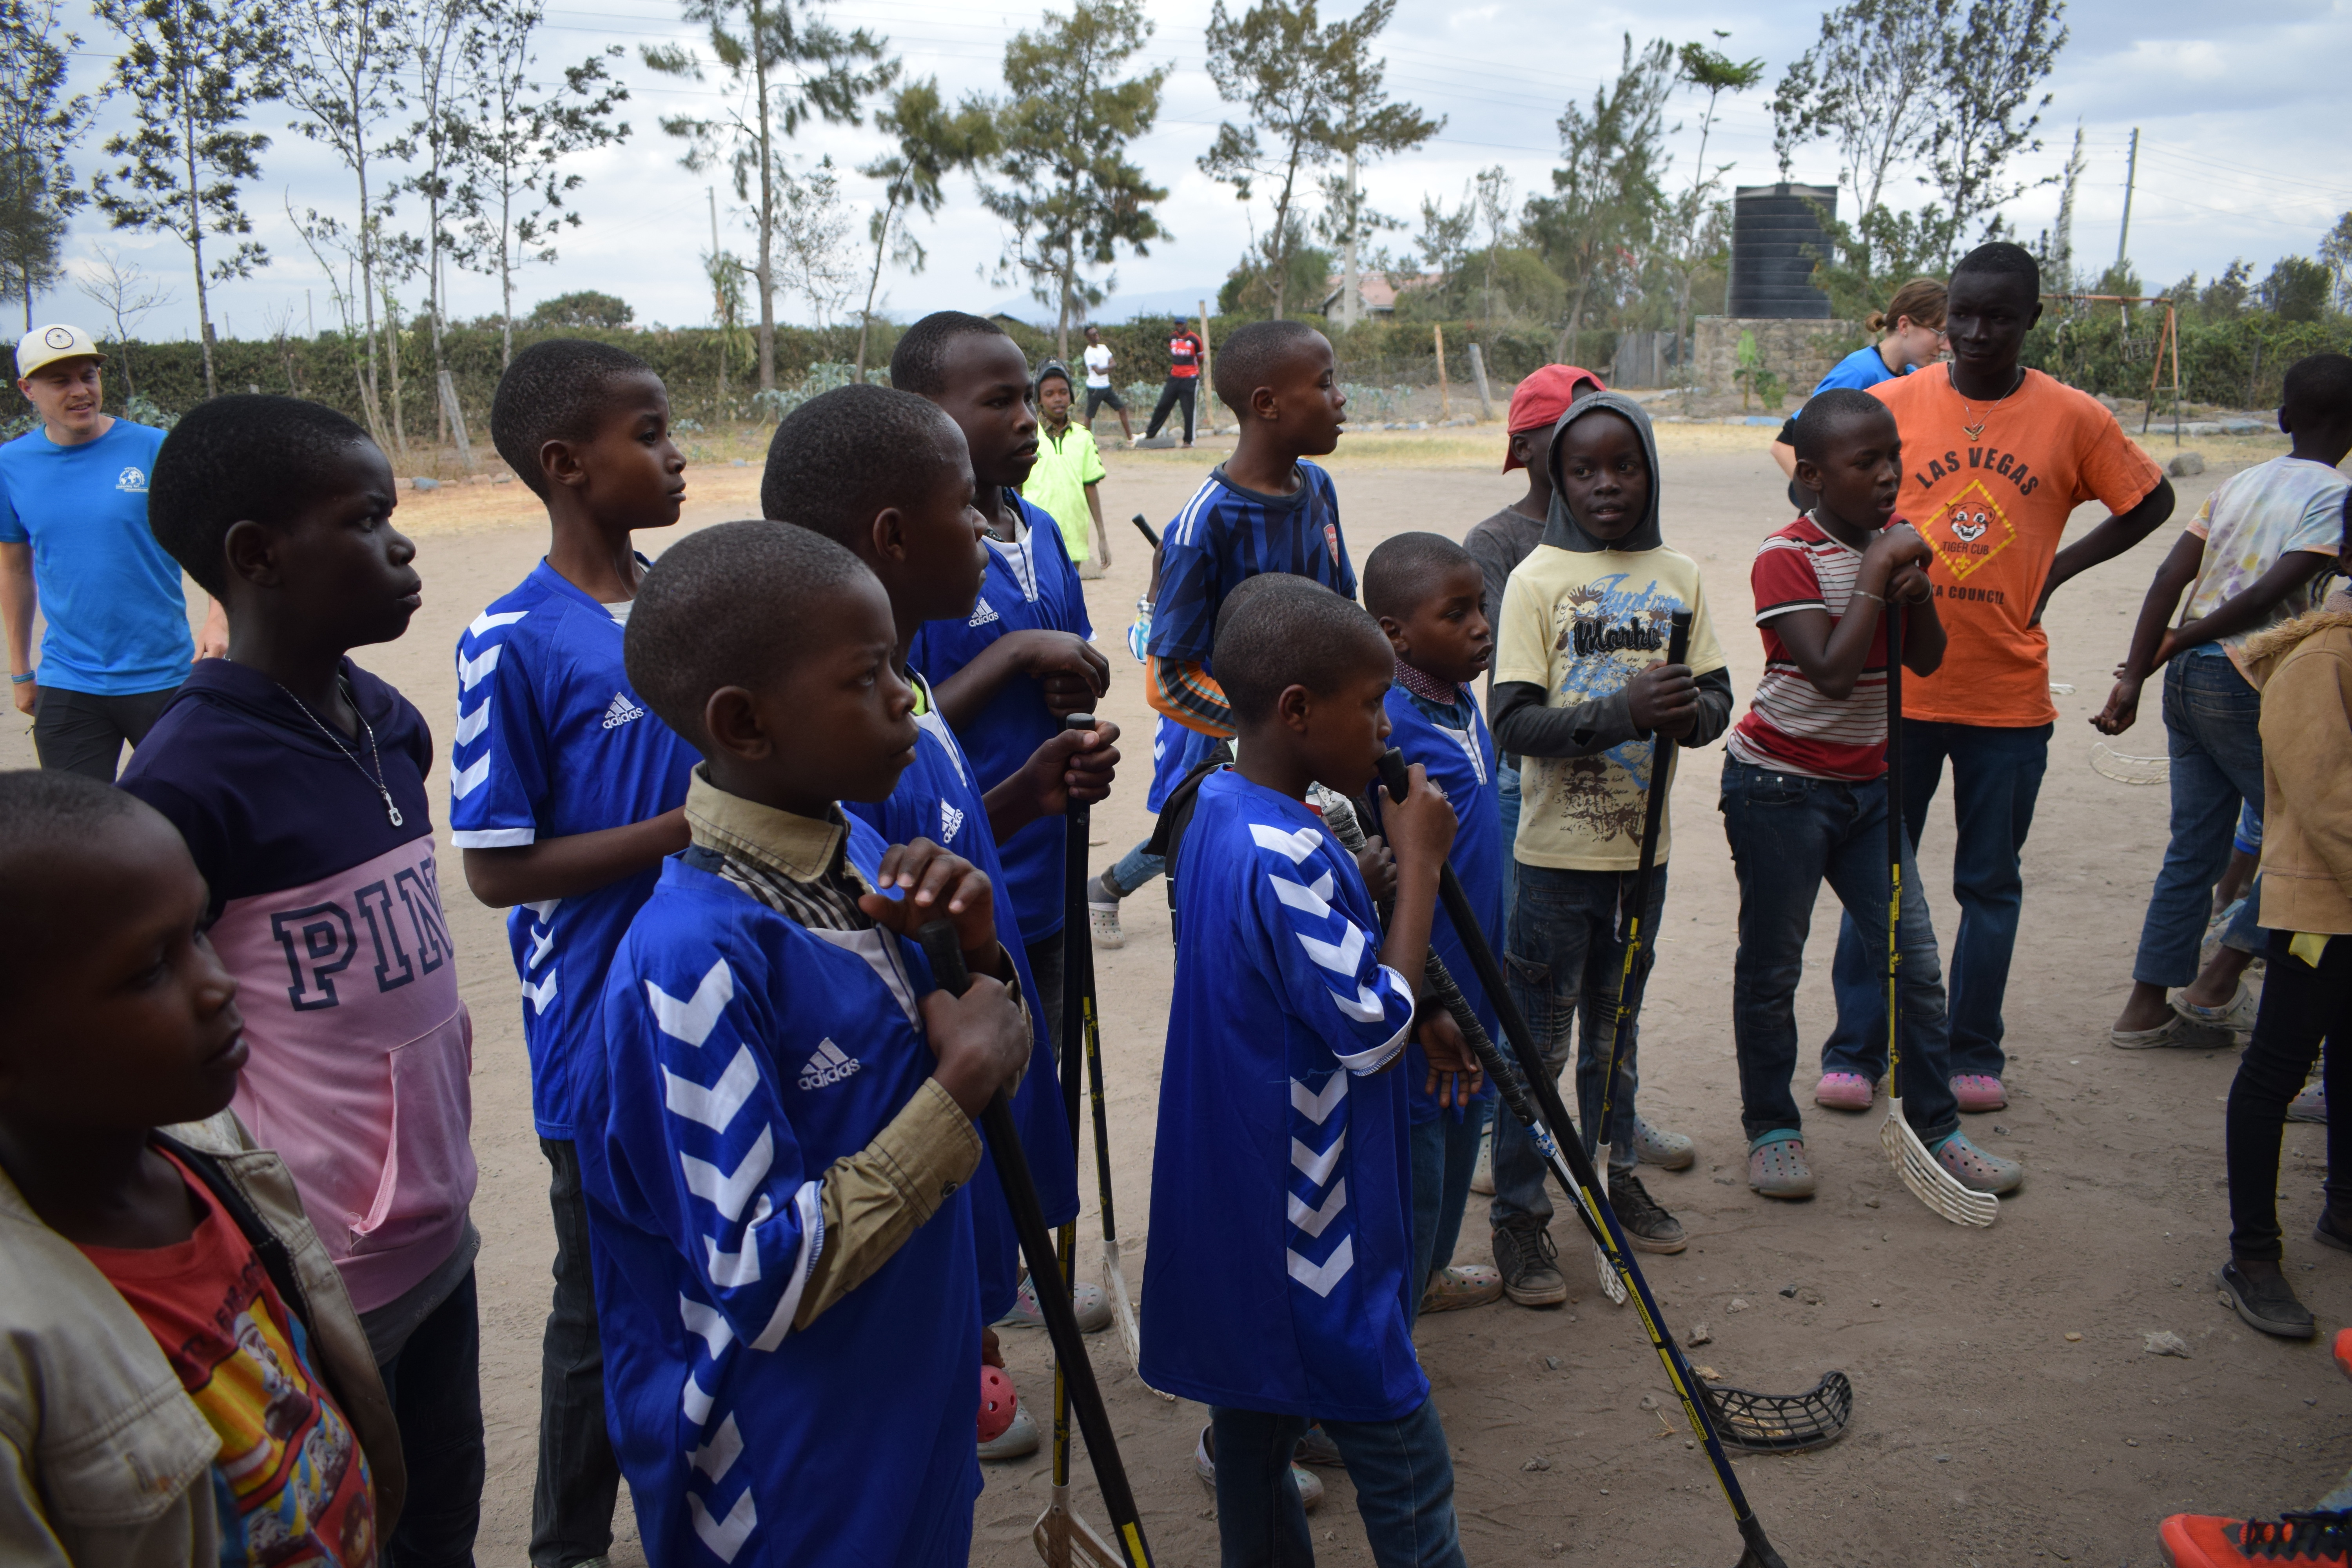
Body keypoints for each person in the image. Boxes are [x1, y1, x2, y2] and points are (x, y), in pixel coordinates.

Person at [583, 520, 1033, 1565]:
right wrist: (957, 1092)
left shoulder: (859, 851)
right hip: (788, 1475)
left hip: (901, 1407)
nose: (907, 701)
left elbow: (933, 1048)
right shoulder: (692, 961)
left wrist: (973, 963)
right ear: (744, 722)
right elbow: (759, 1274)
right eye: (868, 677)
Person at [121, 394, 484, 1567]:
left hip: (444, 1224)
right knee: (354, 1525)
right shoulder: (188, 776)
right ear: (256, 557)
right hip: (322, 1260)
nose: (402, 541)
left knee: (448, 1508)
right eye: (366, 518)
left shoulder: (388, 722)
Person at [761, 381, 1114, 1461]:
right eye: (966, 512)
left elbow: (934, 848)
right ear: (894, 537)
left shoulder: (904, 684)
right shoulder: (847, 732)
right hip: (928, 1083)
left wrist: (1028, 793)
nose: (986, 532)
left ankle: (984, 1330)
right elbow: (875, 913)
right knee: (954, 1246)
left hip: (974, 1036)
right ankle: (970, 1370)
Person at [1139, 583, 1475, 1567]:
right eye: (1370, 705)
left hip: (1239, 1206)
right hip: (1308, 1224)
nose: (1383, 727)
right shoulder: (1286, 847)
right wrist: (1417, 866)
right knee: (1403, 1454)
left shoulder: (1217, 809)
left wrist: (1407, 985)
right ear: (1296, 710)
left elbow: (1302, 982)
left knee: (1252, 1432)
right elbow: (1370, 1024)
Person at [0, 769, 403, 1567]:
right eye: (151, 969)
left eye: (199, 933)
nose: (218, 985)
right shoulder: (23, 1345)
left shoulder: (214, 1156)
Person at [451, 338, 702, 1568]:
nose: (676, 454)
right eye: (648, 434)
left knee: (716, 1278)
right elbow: (496, 868)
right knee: (598, 1307)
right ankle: (565, 1546)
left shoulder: (690, 603)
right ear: (566, 465)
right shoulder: (512, 637)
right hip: (597, 1034)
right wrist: (682, 829)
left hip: (715, 1005)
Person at [1819, 242, 2173, 1114]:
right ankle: (1857, 1050)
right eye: (1962, 316)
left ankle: (1972, 1048)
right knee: (1880, 875)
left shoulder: (2073, 418)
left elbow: (2152, 502)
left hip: (2008, 697)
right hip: (1895, 691)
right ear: (1941, 319)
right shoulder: (1889, 404)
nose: (1976, 333)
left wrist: (2055, 569)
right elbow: (1821, 500)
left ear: (2032, 320)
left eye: (1999, 317)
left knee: (1990, 882)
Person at [1720, 389, 2022, 1200]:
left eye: (1894, 456)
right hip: (1779, 786)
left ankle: (1935, 1127)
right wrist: (1882, 571)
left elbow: (1920, 660)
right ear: (1815, 476)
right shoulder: (1786, 553)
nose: (1889, 475)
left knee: (1915, 964)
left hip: (1867, 786)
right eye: (1867, 463)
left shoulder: (1897, 551)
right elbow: (1830, 668)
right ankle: (1772, 1127)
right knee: (1773, 964)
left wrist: (1912, 591)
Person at [1483, 390, 1728, 1301]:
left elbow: (1715, 698)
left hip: (1641, 859)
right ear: (1556, 476)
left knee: (1614, 1038)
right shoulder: (1537, 581)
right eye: (1582, 468)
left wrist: (1690, 714)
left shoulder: (1680, 575)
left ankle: (1611, 1179)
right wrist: (1616, 715)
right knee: (1536, 1048)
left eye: (1623, 466)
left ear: (1650, 471)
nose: (1605, 484)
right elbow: (1511, 724)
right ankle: (1520, 1217)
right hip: (1552, 863)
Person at [2094, 353, 2352, 1051]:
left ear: (2282, 418)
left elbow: (2168, 577)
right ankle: (2216, 985)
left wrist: (2142, 670)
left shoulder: (2241, 484)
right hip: (2251, 678)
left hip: (2189, 686)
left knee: (2193, 849)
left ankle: (2146, 1006)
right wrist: (2171, 649)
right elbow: (2269, 597)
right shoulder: (2335, 498)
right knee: (2305, 842)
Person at [891, 313, 1109, 1058]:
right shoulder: (911, 557)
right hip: (963, 881)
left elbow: (1071, 657)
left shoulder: (1043, 529)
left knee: (1047, 1089)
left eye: (1028, 400)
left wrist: (1072, 693)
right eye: (998, 403)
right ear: (926, 415)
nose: (1025, 421)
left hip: (1053, 864)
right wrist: (1013, 655)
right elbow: (903, 723)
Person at [2207, 493, 2352, 1343]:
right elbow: (2327, 801)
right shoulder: (2320, 660)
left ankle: (2342, 1204)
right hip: (2320, 905)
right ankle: (2253, 1252)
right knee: (2277, 1070)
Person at [1362, 531, 1504, 1316]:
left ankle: (1435, 1269)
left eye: (1480, 606)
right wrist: (1431, 1002)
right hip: (1428, 996)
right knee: (1417, 1158)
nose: (1480, 624)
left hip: (1480, 983)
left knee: (1461, 1134)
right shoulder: (1388, 730)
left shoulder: (1455, 694)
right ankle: (1396, 1314)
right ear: (1395, 633)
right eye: (1457, 613)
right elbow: (1392, 882)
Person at [1, 323, 226, 780]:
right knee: (79, 835)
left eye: (88, 376)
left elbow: (212, 539)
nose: (81, 391)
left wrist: (219, 619)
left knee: (185, 819)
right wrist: (22, 670)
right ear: (28, 389)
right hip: (69, 681)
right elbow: (14, 569)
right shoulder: (10, 466)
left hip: (165, 674)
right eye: (61, 381)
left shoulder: (153, 448)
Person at [1146, 318, 1355, 740]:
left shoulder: (1318, 485)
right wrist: (1282, 733)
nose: (1340, 397)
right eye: (1324, 384)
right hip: (1230, 770)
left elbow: (1345, 608)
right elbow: (1169, 685)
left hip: (1315, 750)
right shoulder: (1203, 525)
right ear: (1267, 404)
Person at [1462, 364, 1607, 920]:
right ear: (1524, 448)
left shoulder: (1618, 530)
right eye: (1573, 424)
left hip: (1614, 762)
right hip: (1524, 772)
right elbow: (1513, 660)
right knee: (1523, 933)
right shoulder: (1496, 542)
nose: (1594, 434)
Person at [1769, 278, 1949, 510]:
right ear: (1904, 326)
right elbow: (1786, 444)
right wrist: (1822, 508)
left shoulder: (1912, 378)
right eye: (1940, 333)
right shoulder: (1859, 371)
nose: (1946, 346)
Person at [1021, 358, 1113, 579]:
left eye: (1063, 392)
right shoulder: (1027, 435)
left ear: (1071, 396)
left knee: (1070, 601)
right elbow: (1015, 489)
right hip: (1035, 537)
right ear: (1039, 400)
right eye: (1049, 394)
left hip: (1074, 539)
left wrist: (1102, 536)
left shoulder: (1083, 437)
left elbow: (1090, 487)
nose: (1058, 399)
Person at [1144, 315, 1205, 447]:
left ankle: (1188, 441)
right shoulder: (1172, 338)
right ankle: (1150, 434)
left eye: (1182, 324)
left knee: (1188, 411)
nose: (1180, 327)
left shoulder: (1195, 340)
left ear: (1186, 325)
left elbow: (1200, 358)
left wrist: (1190, 371)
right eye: (1177, 325)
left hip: (1189, 379)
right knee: (1163, 405)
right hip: (1174, 378)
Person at [1081, 324, 1133, 445]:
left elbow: (1114, 363)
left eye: (1097, 333)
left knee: (1121, 408)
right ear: (1088, 338)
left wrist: (1105, 369)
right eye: (1093, 335)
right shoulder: (1088, 353)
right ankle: (1085, 442)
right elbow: (1098, 371)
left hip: (1106, 387)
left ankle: (1130, 437)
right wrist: (1108, 369)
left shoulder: (1104, 348)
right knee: (1090, 415)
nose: (1097, 336)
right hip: (1095, 388)